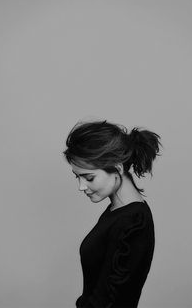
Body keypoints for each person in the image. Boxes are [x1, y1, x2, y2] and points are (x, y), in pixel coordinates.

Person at [63, 119, 162, 308]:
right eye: (77, 177)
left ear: (117, 168)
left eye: (89, 177)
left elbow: (112, 300)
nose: (81, 187)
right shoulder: (118, 211)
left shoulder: (133, 222)